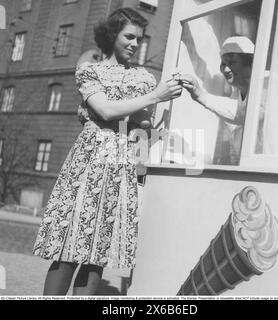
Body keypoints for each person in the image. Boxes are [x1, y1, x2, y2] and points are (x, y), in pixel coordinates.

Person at [32, 7, 182, 296]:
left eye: (139, 39)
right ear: (112, 34)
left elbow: (142, 126)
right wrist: (154, 96)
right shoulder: (90, 70)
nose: (135, 44)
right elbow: (104, 109)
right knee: (68, 246)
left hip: (120, 166)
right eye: (129, 36)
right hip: (88, 164)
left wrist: (165, 106)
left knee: (98, 253)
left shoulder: (143, 78)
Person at [180, 36, 256, 164]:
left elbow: (247, 114)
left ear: (250, 62)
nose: (225, 69)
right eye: (223, 64)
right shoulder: (235, 93)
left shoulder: (267, 82)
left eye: (232, 62)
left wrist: (201, 95)